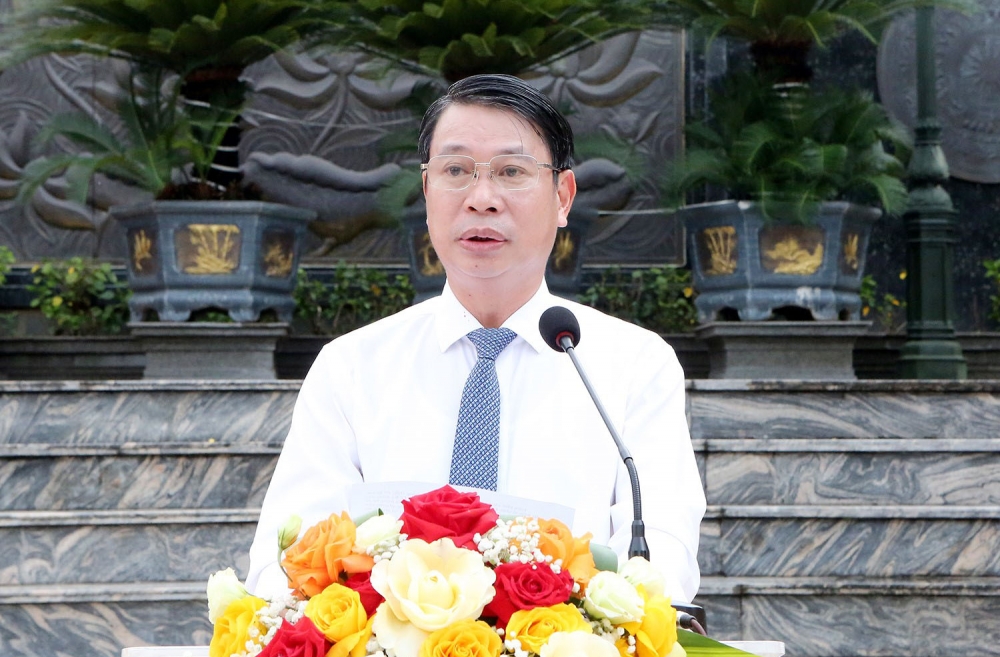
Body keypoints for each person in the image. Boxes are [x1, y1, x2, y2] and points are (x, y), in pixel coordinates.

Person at [246, 74, 706, 603]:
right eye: (456, 171)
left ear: (562, 197)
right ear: (426, 192)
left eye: (511, 171)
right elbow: (284, 565)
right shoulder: (351, 368)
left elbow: (660, 561)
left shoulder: (634, 366)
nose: (481, 199)